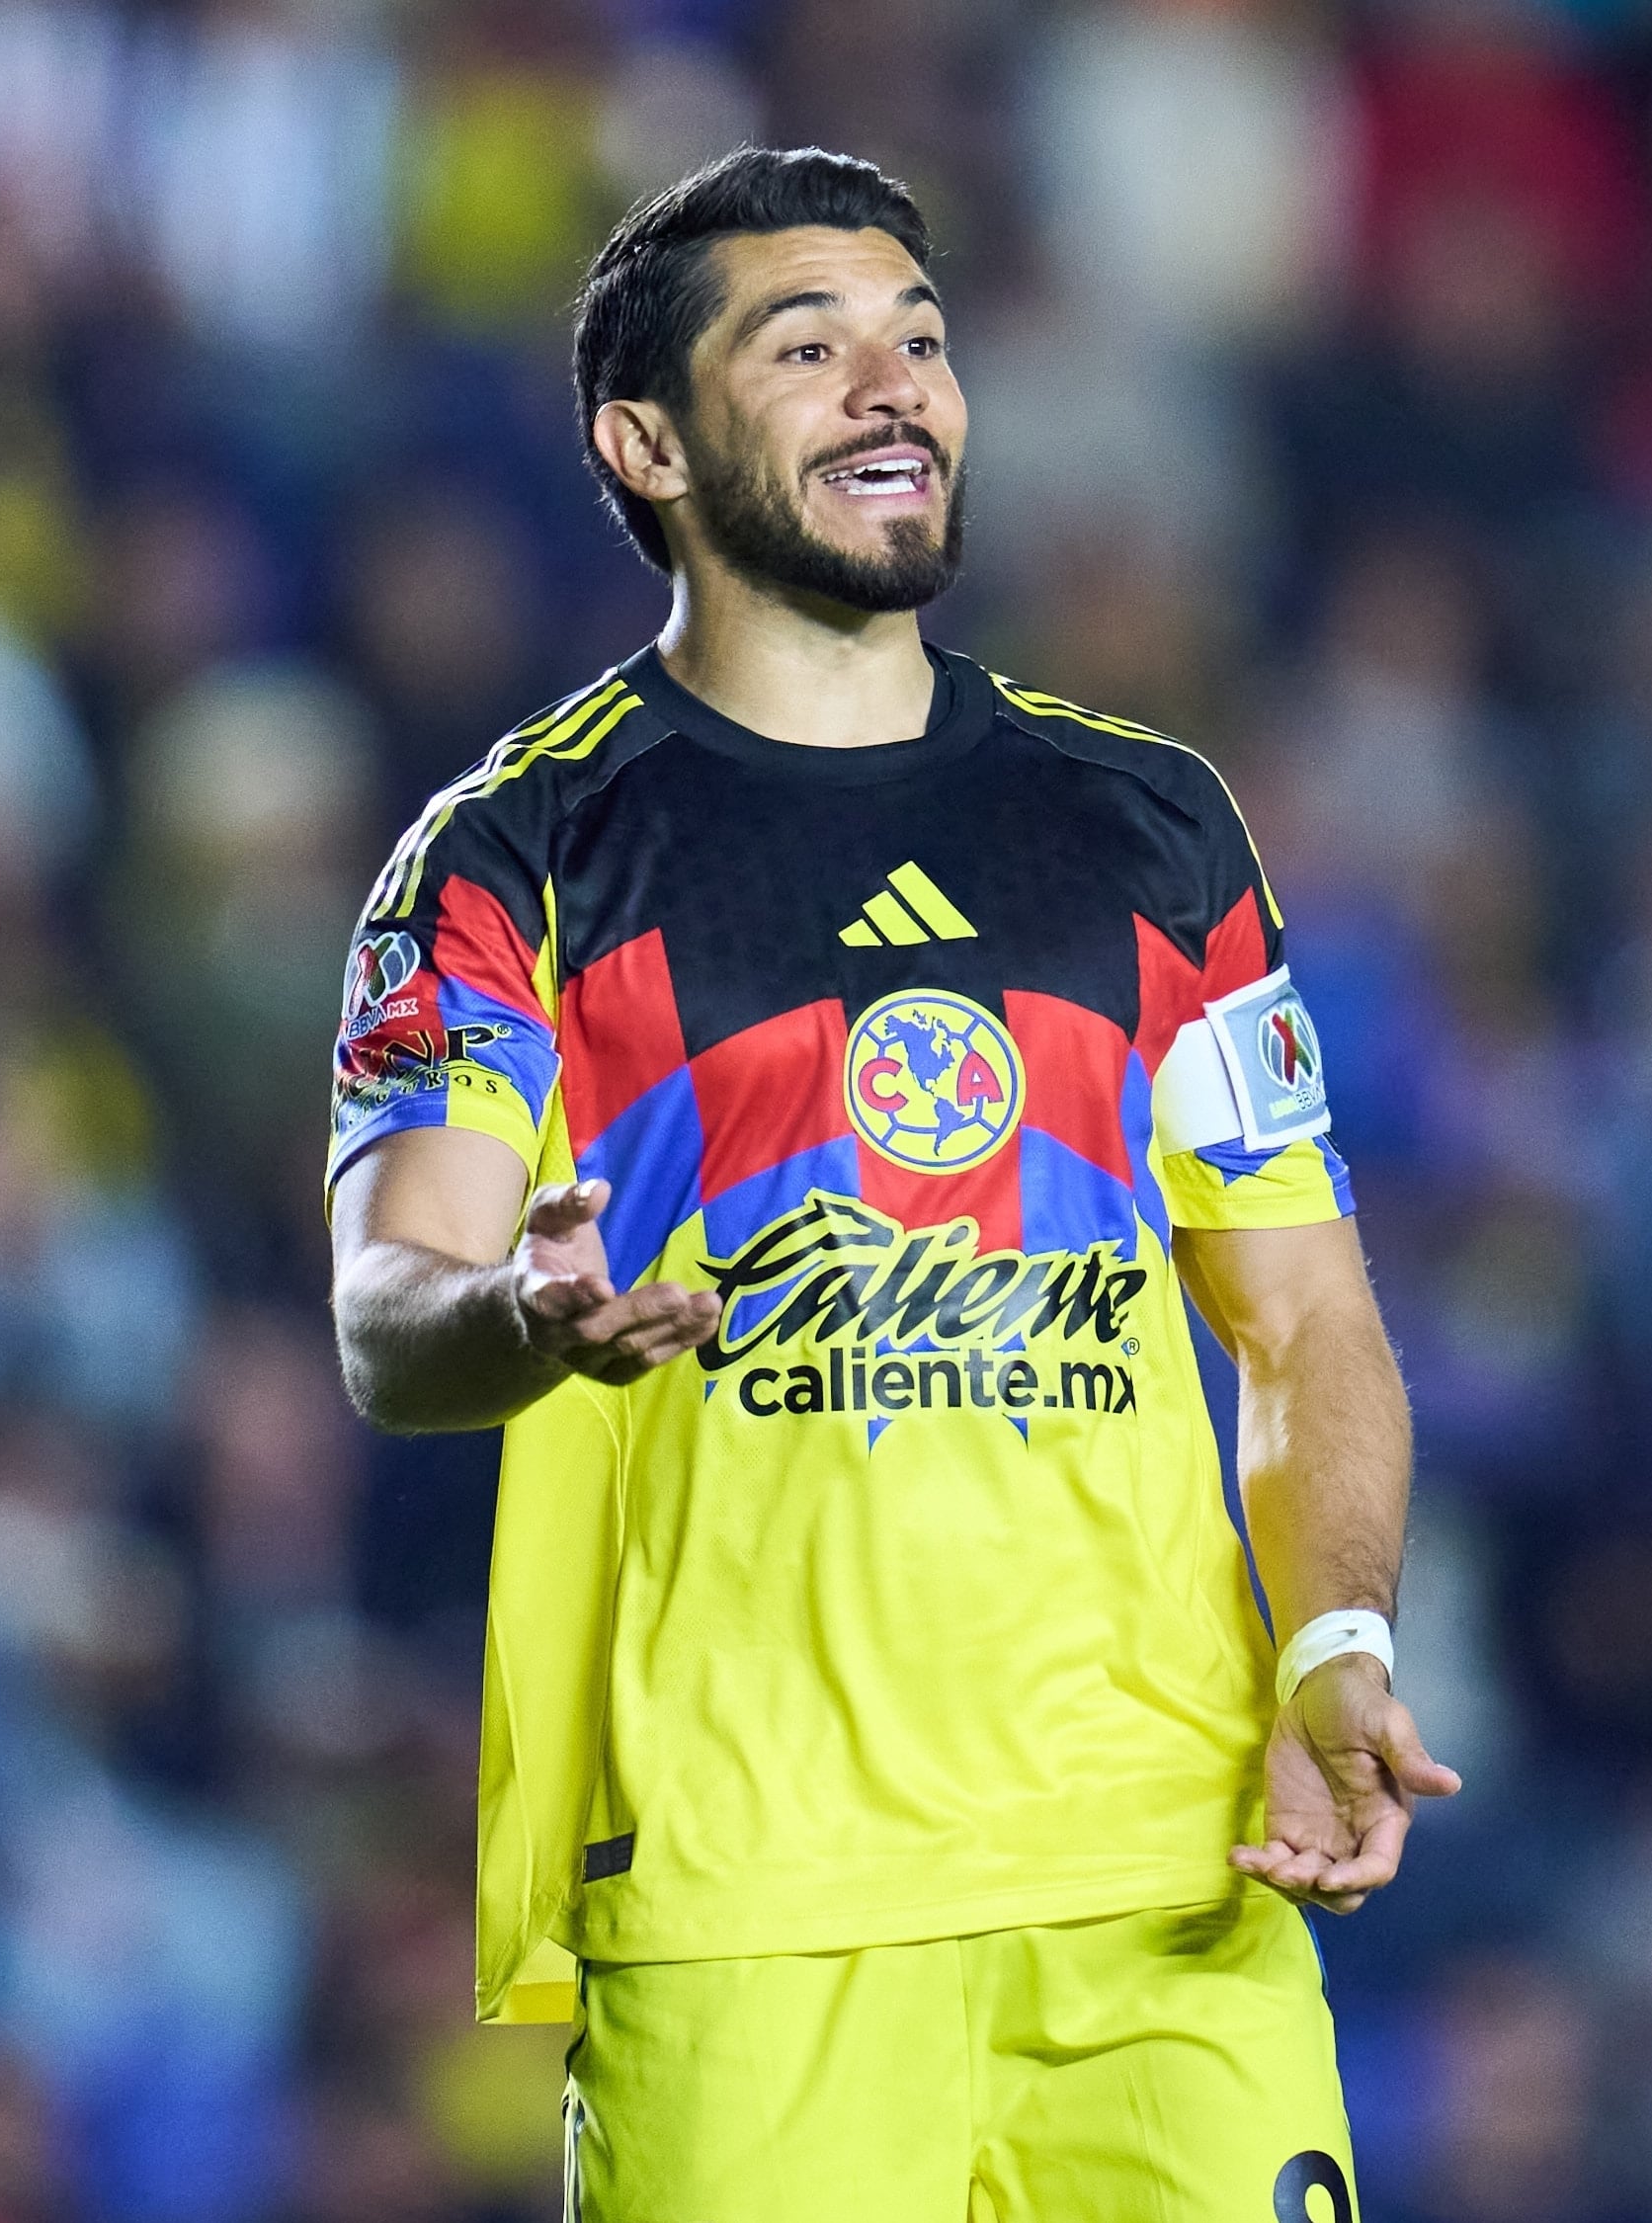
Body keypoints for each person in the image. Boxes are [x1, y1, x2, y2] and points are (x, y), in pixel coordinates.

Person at [322, 146, 1455, 2220]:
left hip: (1162, 1883)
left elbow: (1301, 1320)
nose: (893, 387)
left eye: (920, 343)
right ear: (642, 441)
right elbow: (391, 1320)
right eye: (808, 344)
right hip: (752, 1904)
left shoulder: (1149, 828)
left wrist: (1331, 1656)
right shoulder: (513, 859)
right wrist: (522, 1315)